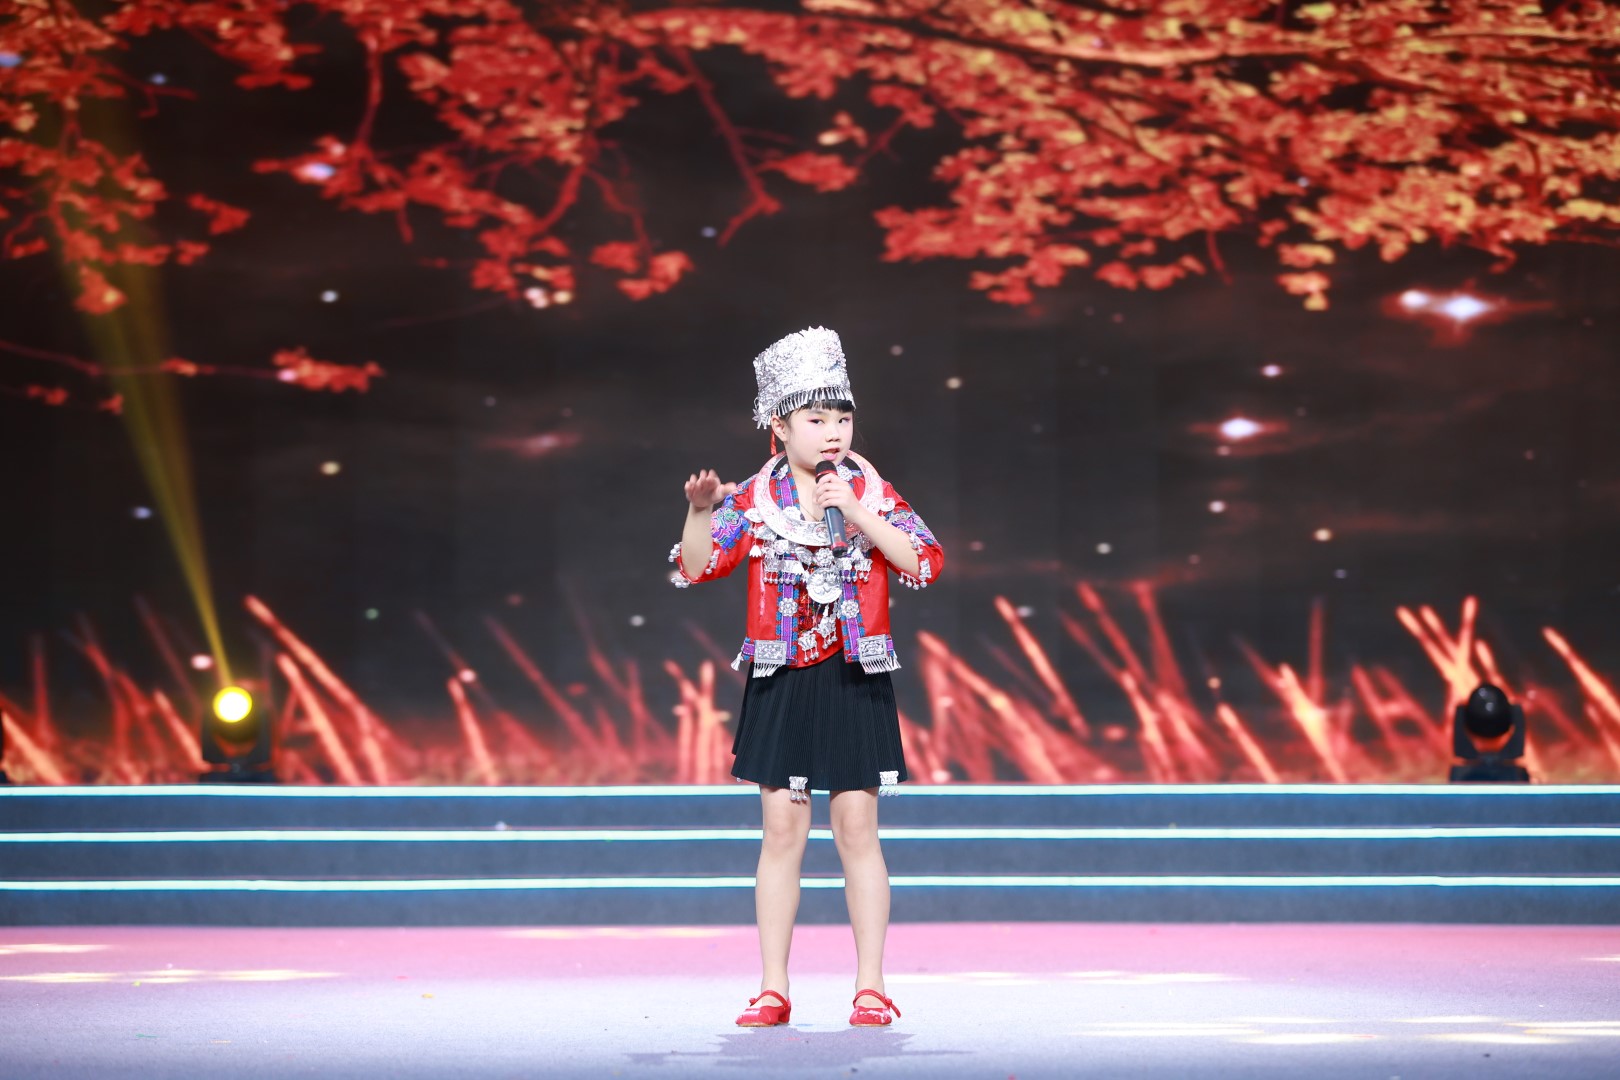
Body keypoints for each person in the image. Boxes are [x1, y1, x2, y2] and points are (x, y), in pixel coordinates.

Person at [669, 326, 945, 1028]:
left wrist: (855, 511)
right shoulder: (753, 503)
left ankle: (871, 987)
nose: (833, 432)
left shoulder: (872, 492)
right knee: (781, 833)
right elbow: (698, 566)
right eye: (816, 420)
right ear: (780, 426)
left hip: (855, 673)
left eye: (842, 418)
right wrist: (700, 511)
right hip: (782, 675)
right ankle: (773, 987)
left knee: (857, 830)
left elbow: (923, 562)